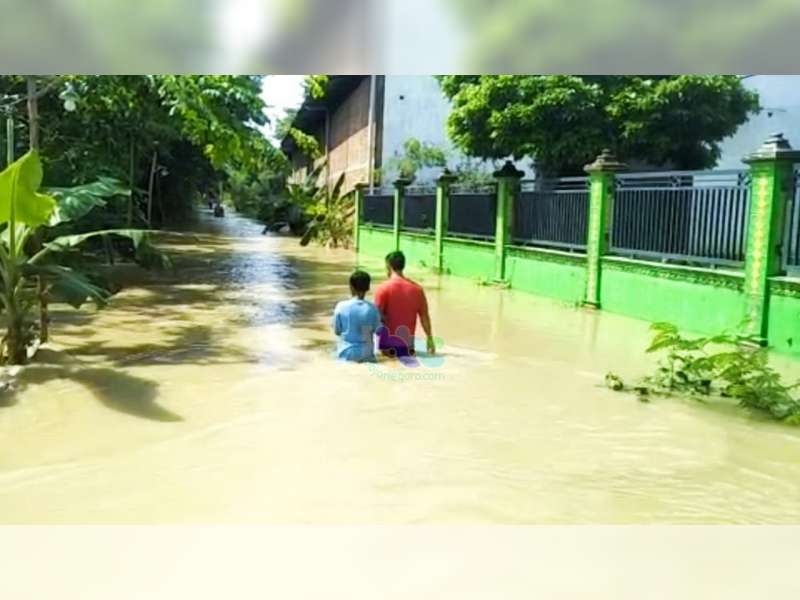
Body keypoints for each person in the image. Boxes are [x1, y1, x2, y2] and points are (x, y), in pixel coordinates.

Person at [374, 250, 435, 357]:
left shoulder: (383, 289)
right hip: (408, 347)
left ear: (388, 266)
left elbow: (375, 318)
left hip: (387, 348)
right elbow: (424, 317)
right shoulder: (417, 290)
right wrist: (430, 339)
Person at [332, 270, 382, 363]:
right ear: (368, 288)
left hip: (346, 353)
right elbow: (378, 331)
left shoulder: (341, 306)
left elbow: (337, 331)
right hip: (367, 354)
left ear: (351, 287)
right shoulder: (373, 309)